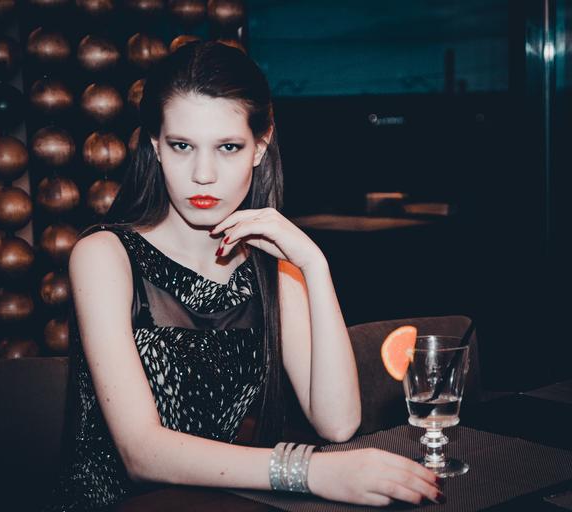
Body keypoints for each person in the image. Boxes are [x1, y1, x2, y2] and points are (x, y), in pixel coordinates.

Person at [43, 41, 443, 511]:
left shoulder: (270, 263)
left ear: (260, 147)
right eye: (182, 146)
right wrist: (308, 471)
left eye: (228, 147)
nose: (203, 174)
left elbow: (337, 423)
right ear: (155, 146)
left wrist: (313, 266)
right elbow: (141, 454)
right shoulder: (104, 255)